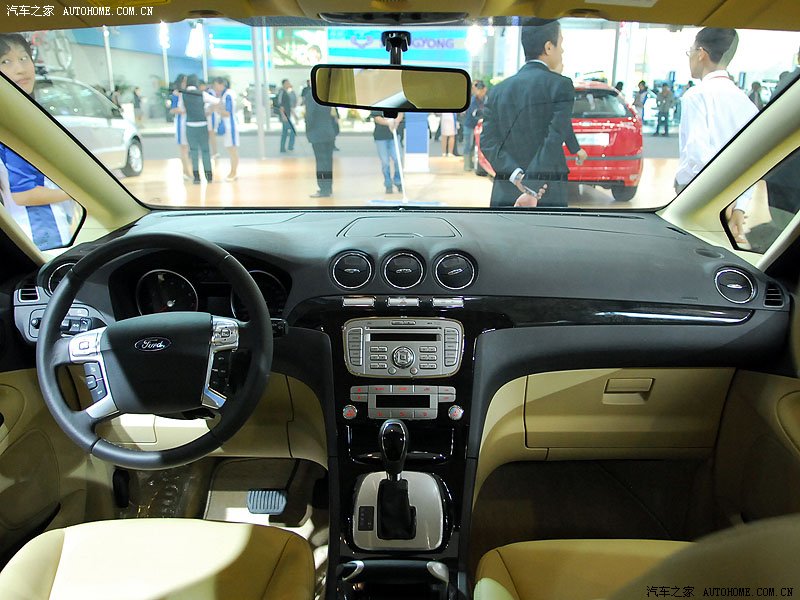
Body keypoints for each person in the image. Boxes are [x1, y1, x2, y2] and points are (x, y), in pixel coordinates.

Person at [480, 18, 587, 208]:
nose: (562, 50)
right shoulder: (560, 86)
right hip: (548, 188)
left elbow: (488, 142)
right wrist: (531, 186)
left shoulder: (497, 91)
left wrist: (517, 176)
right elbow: (554, 137)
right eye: (561, 43)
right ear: (548, 47)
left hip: (505, 189)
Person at [675, 27, 758, 245]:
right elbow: (751, 160)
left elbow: (697, 155)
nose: (689, 57)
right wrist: (739, 205)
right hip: (732, 200)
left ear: (701, 54)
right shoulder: (746, 103)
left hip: (697, 194)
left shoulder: (696, 96)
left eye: (690, 51)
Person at [0, 33, 78, 250]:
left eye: (24, 58)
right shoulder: (16, 123)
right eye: (5, 61)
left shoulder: (19, 116)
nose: (20, 69)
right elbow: (24, 194)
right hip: (41, 231)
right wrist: (75, 193)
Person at [179, 74, 216, 184]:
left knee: (193, 151)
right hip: (202, 125)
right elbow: (216, 101)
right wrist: (209, 110)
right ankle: (209, 176)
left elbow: (182, 109)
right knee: (205, 150)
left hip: (190, 125)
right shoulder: (202, 94)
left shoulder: (183, 95)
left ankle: (196, 177)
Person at [212, 77, 240, 181]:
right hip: (228, 125)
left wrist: (217, 109)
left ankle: (234, 172)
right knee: (230, 149)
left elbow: (228, 112)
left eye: (216, 85)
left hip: (230, 125)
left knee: (232, 150)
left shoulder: (228, 95)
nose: (215, 88)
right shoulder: (225, 95)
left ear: (221, 85)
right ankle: (232, 172)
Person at [372, 111, 404, 193]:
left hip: (394, 135)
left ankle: (398, 181)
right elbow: (376, 118)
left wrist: (396, 122)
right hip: (380, 137)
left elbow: (400, 113)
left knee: (398, 158)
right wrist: (388, 123)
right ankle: (388, 184)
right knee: (385, 162)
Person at [169, 74, 192, 180]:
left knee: (188, 149)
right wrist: (184, 110)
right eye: (184, 81)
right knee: (184, 149)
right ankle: (186, 172)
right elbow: (172, 109)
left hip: (189, 123)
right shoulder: (176, 94)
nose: (185, 83)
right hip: (180, 124)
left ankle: (188, 171)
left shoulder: (188, 93)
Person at [463, 80, 487, 171]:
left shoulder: (485, 99)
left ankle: (472, 164)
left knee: (474, 145)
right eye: (478, 90)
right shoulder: (473, 100)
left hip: (478, 126)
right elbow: (474, 113)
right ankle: (467, 165)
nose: (479, 92)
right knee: (468, 145)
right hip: (469, 125)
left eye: (481, 90)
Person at [277, 79, 296, 153]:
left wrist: (294, 115)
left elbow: (289, 105)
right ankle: (290, 146)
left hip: (287, 115)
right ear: (284, 84)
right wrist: (283, 116)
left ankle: (282, 148)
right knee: (292, 130)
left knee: (285, 132)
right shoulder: (282, 92)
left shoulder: (286, 92)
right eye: (287, 83)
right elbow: (281, 105)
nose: (289, 84)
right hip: (285, 116)